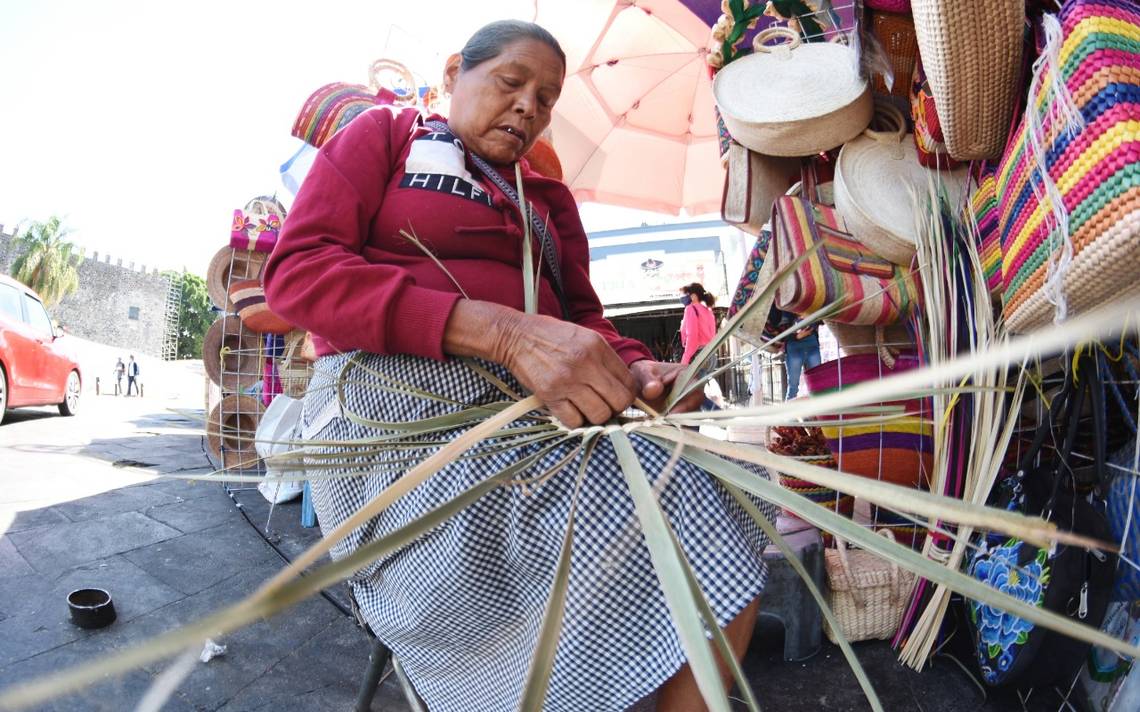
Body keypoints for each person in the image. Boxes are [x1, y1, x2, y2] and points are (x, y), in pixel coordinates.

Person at [264, 20, 775, 712]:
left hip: (525, 427)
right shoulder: (389, 137)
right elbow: (299, 274)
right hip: (386, 425)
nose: (528, 107)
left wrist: (640, 371)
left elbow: (586, 324)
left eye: (546, 98)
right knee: (631, 516)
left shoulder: (545, 199)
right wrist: (502, 334)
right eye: (510, 82)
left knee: (719, 486)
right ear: (454, 74)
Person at [678, 283, 717, 366]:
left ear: (694, 296)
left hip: (698, 356)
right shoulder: (708, 311)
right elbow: (713, 335)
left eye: (685, 294)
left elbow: (692, 335)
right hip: (710, 355)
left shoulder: (690, 309)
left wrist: (685, 359)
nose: (682, 297)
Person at [784, 323, 821, 399]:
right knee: (793, 388)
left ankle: (817, 410)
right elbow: (778, 326)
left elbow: (821, 319)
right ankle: (789, 410)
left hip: (811, 342)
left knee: (817, 384)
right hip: (793, 345)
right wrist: (795, 336)